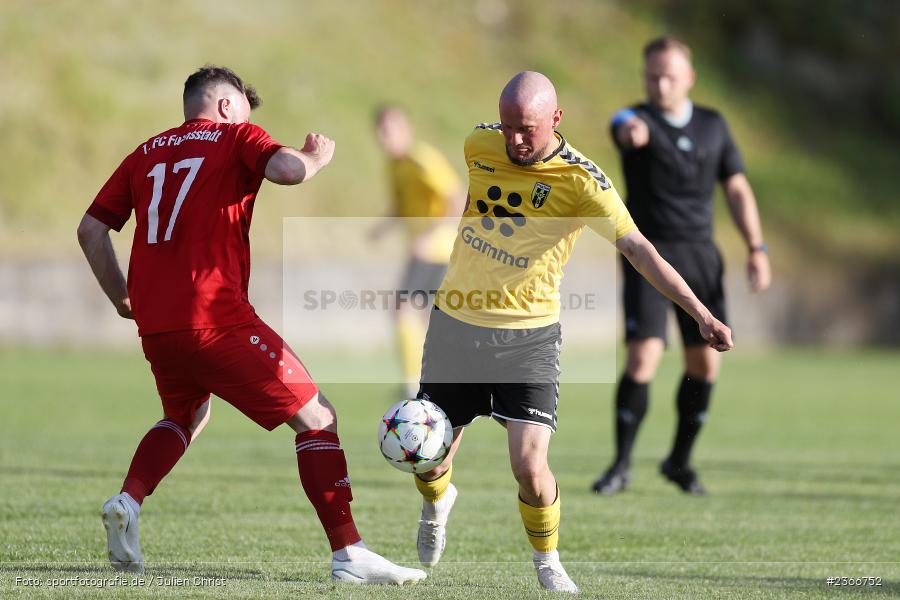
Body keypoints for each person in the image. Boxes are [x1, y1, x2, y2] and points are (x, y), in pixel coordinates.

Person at [77, 65, 426, 585]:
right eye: (244, 106)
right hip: (216, 319)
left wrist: (122, 297)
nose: (249, 117)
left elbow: (90, 230)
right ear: (223, 106)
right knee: (318, 417)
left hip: (158, 328)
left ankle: (128, 500)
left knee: (186, 415)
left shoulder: (145, 153)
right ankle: (349, 554)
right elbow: (286, 170)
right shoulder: (236, 134)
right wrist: (314, 158)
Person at [409, 71, 733, 593]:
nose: (515, 140)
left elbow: (640, 250)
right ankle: (437, 504)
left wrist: (700, 312)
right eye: (509, 125)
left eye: (528, 130)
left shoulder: (584, 182)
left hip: (528, 338)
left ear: (556, 119)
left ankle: (547, 561)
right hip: (457, 326)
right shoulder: (479, 144)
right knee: (428, 455)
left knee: (529, 467)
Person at [592, 36, 771, 497]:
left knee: (705, 365)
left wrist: (757, 247)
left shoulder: (714, 125)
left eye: (669, 75)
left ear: (689, 78)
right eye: (651, 75)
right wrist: (628, 128)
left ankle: (679, 462)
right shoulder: (637, 120)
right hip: (648, 255)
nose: (660, 83)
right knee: (643, 355)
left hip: (701, 257)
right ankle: (621, 465)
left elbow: (736, 188)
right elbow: (621, 123)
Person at [371, 106, 463, 398]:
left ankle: (415, 382)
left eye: (392, 129)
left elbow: (456, 197)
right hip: (425, 250)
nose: (386, 137)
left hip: (435, 249)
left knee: (404, 310)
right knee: (423, 318)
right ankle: (434, 380)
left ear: (405, 128)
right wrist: (382, 228)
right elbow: (402, 204)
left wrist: (431, 235)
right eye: (382, 131)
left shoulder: (421, 159)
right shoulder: (395, 166)